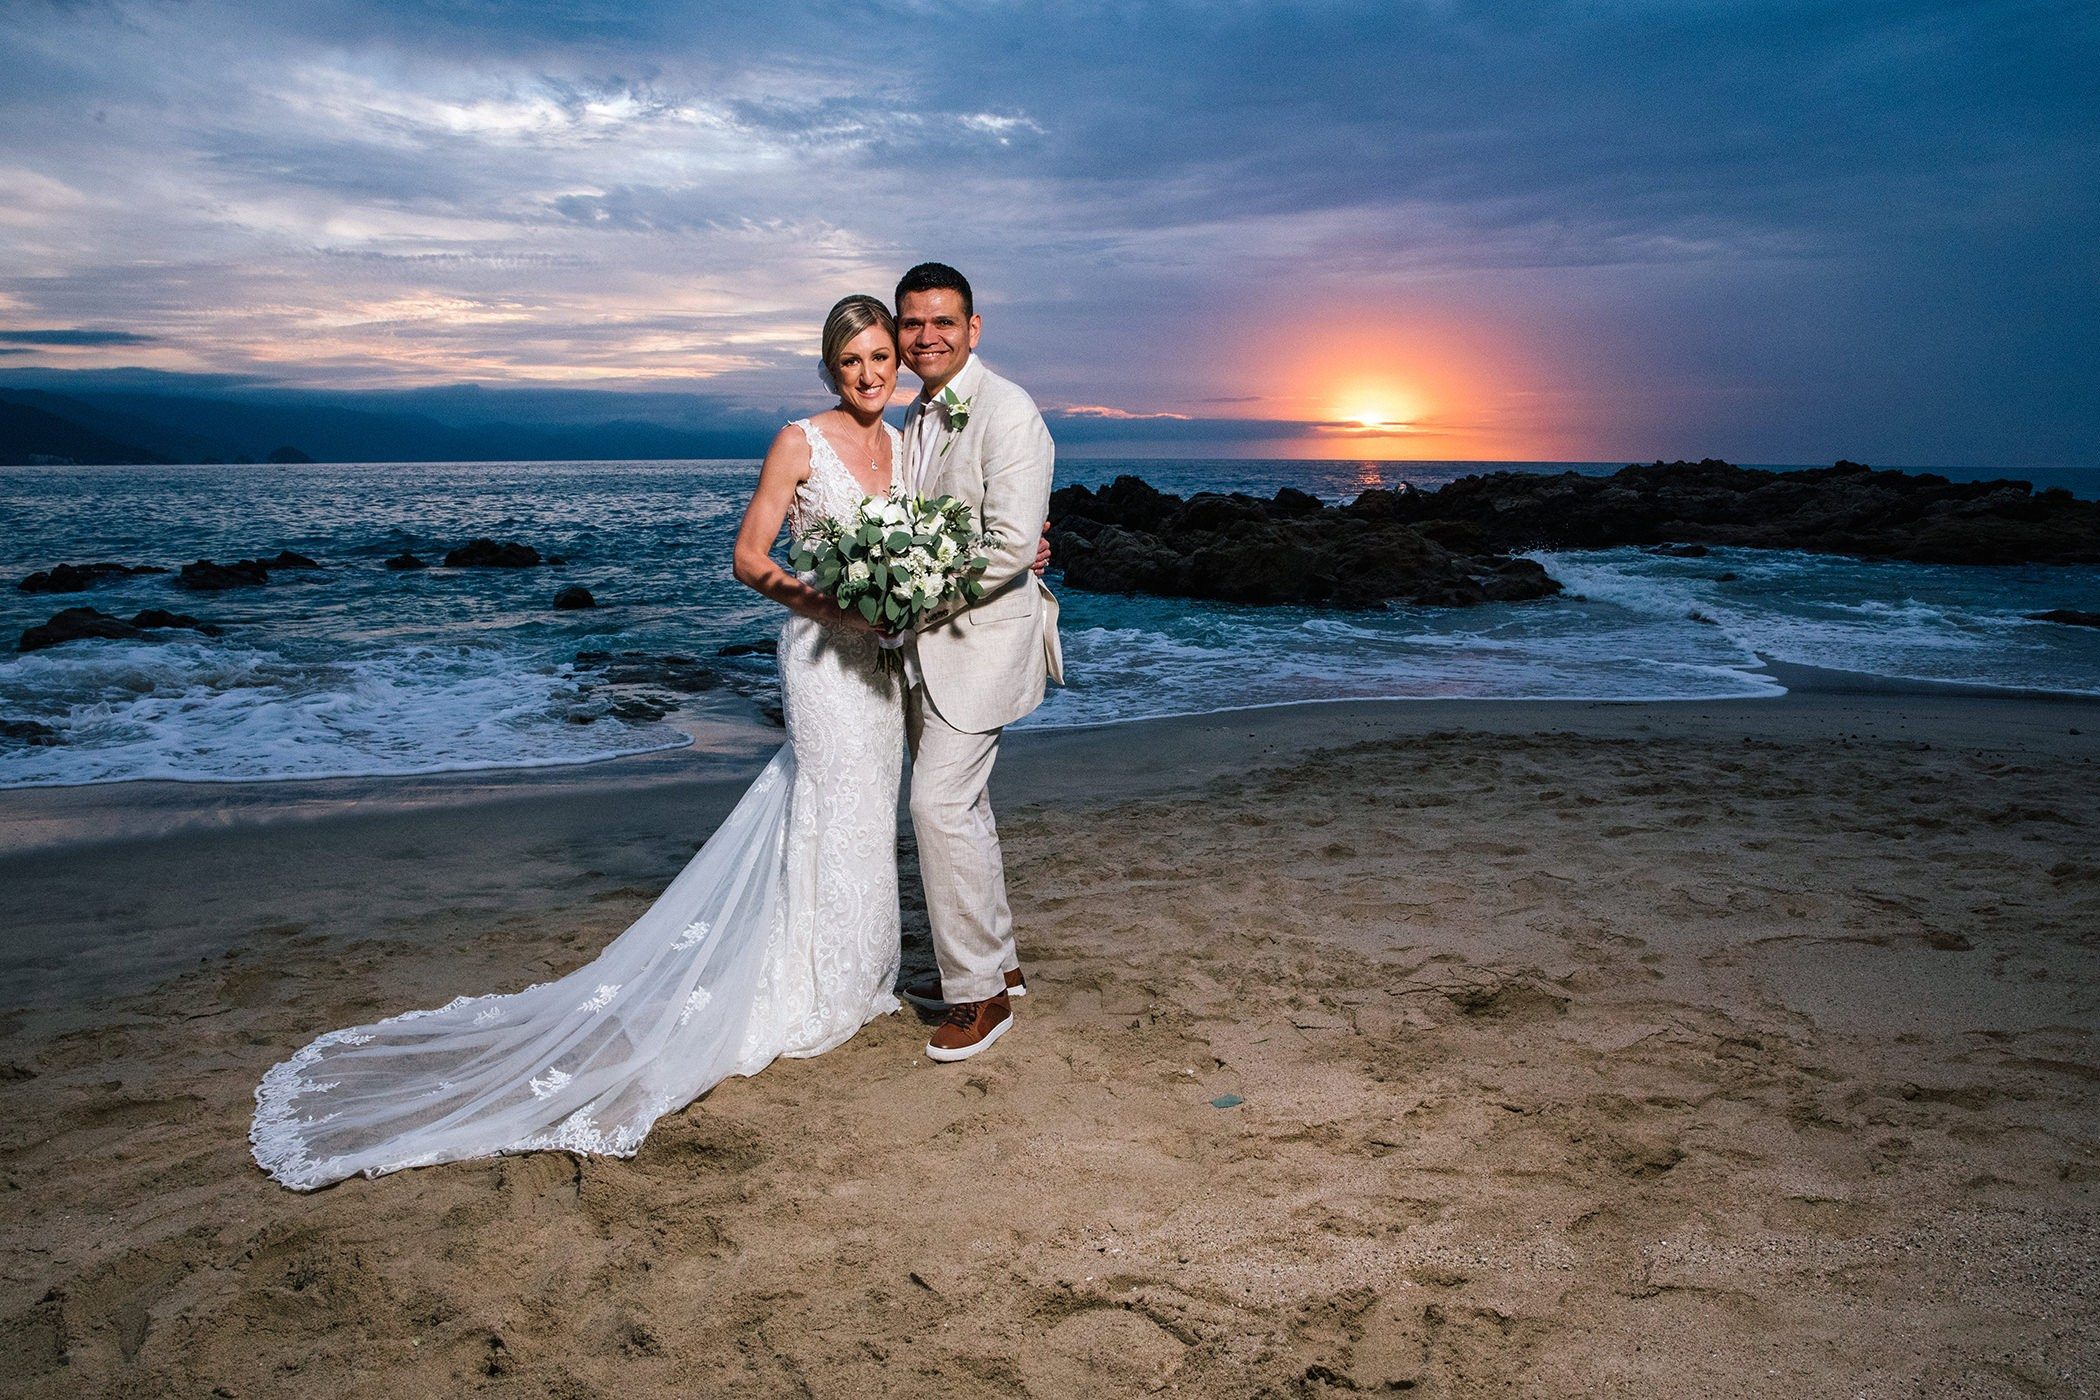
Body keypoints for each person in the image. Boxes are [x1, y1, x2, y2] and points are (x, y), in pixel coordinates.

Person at [249, 295, 922, 1190]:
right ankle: (806, 990)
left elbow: (932, 543)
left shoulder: (906, 442)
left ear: (897, 361)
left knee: (871, 807)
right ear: (829, 371)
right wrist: (831, 604)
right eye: (852, 363)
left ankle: (857, 976)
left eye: (881, 358)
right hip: (823, 659)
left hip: (883, 664)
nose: (870, 375)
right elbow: (750, 559)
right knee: (830, 797)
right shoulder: (800, 441)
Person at [890, 262, 1062, 1063]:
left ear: (973, 328)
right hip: (931, 649)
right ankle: (999, 963)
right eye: (912, 323)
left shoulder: (1009, 411)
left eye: (943, 322)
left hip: (982, 643)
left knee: (936, 807)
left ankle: (979, 998)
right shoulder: (919, 415)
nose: (926, 336)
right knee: (966, 809)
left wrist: (909, 599)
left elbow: (1008, 547)